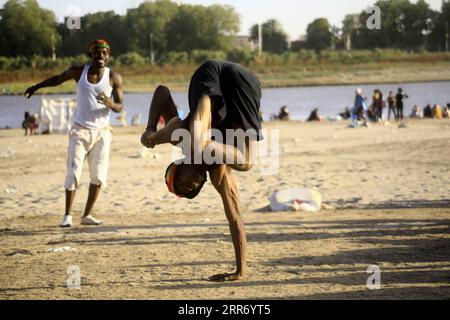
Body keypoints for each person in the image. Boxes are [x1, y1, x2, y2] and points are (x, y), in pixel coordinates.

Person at [140, 60, 263, 282]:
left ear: (180, 165)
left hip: (209, 77)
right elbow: (235, 219)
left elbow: (162, 92)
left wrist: (150, 130)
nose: (191, 185)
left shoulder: (182, 143)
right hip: (245, 82)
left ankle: (160, 139)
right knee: (246, 163)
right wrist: (240, 270)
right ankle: (201, 143)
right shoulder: (219, 174)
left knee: (184, 136)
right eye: (191, 190)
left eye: (183, 183)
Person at [24, 39, 124, 228]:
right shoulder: (79, 72)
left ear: (108, 55)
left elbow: (120, 106)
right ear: (91, 54)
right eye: (97, 52)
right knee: (73, 173)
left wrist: (111, 104)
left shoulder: (114, 77)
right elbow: (57, 79)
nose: (100, 56)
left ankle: (87, 215)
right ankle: (67, 216)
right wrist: (35, 87)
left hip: (102, 133)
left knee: (98, 176)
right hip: (80, 131)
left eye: (104, 53)